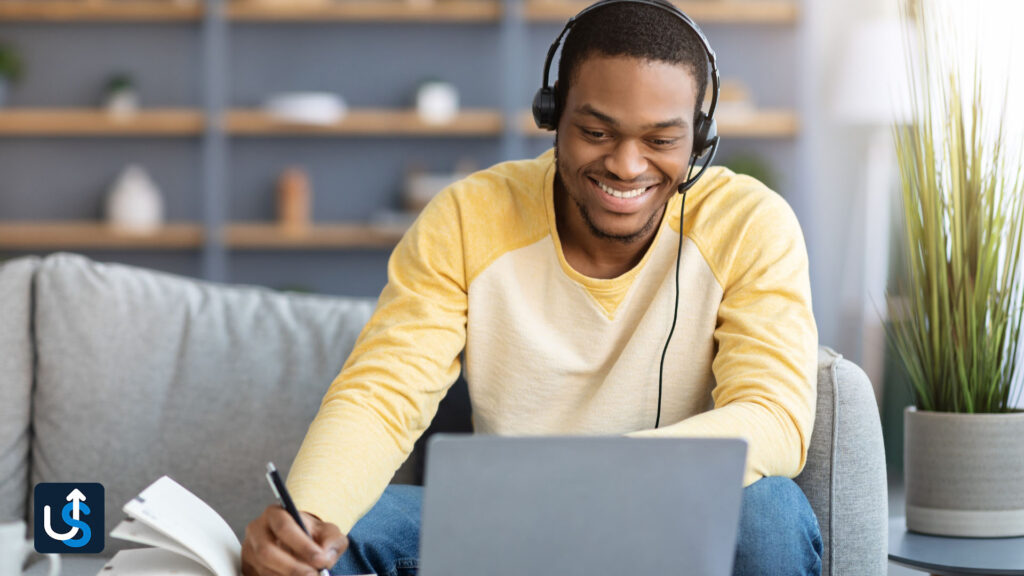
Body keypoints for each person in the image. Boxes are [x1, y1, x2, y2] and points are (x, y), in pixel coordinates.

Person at [241, 1, 821, 575]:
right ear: (552, 115)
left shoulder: (749, 224)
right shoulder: (468, 218)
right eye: (596, 131)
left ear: (701, 138)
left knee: (770, 512)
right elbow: (382, 395)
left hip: (676, 519)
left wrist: (594, 475)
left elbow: (774, 415)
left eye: (661, 141)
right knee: (349, 529)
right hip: (511, 526)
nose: (625, 164)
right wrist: (308, 517)